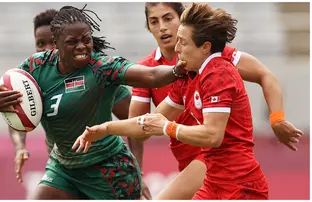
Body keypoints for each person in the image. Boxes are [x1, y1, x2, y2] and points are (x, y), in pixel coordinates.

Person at [72, 3, 302, 199]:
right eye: (154, 21)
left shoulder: (219, 69)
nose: (163, 28)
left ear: (204, 46)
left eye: (168, 18)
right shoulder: (182, 74)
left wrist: (276, 119)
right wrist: (104, 128)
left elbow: (212, 135)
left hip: (232, 178)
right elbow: (144, 125)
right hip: (210, 174)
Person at [0, 5, 187, 200]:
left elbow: (150, 78)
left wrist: (179, 69)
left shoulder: (102, 69)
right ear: (57, 43)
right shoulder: (36, 67)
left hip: (109, 170)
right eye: (73, 42)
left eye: (86, 40)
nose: (82, 46)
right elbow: (14, 109)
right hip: (64, 168)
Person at [1, 9, 135, 187]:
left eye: (52, 43)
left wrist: (137, 167)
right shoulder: (34, 76)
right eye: (41, 43)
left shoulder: (96, 75)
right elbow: (17, 116)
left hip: (102, 171)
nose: (47, 49)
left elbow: (133, 121)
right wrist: (20, 147)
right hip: (63, 169)